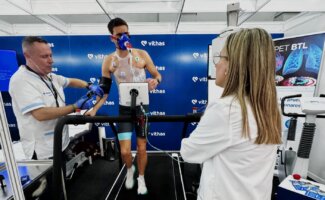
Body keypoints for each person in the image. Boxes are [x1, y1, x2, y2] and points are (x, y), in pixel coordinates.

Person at [180, 28, 282, 200]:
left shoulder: (226, 110)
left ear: (233, 65)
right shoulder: (269, 107)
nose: (216, 63)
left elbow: (189, 152)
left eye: (220, 57)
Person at [88, 17, 162, 195]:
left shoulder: (141, 54)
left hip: (142, 108)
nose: (124, 37)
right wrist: (94, 109)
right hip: (124, 110)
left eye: (126, 33)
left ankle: (141, 178)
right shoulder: (109, 61)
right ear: (112, 38)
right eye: (119, 34)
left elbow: (157, 75)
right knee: (125, 151)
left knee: (142, 147)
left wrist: (155, 81)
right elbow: (104, 91)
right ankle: (130, 170)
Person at [9, 36, 103, 160]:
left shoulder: (49, 76)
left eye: (50, 55)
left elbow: (70, 81)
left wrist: (88, 85)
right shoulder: (21, 80)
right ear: (28, 56)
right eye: (44, 57)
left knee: (62, 178)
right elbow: (40, 114)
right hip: (42, 151)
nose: (51, 60)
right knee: (51, 179)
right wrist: (75, 107)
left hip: (60, 142)